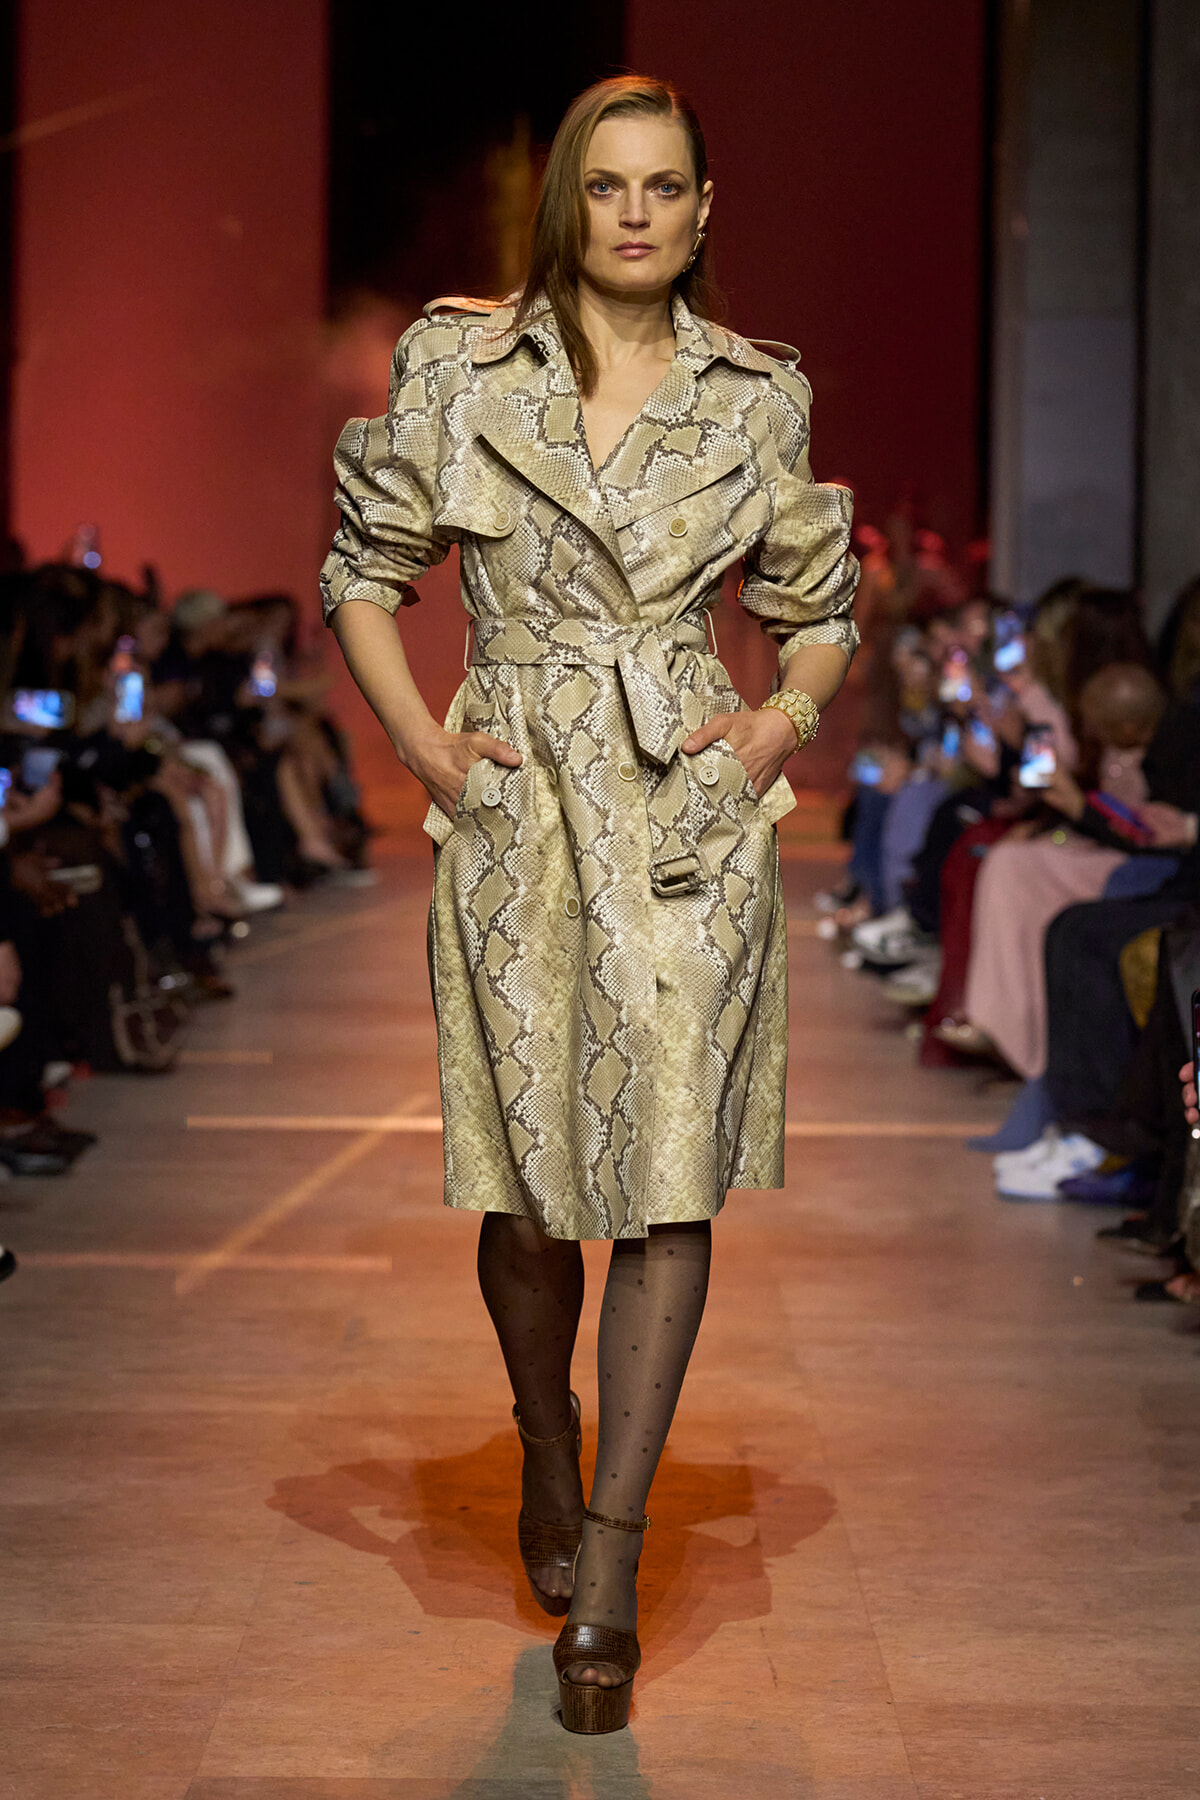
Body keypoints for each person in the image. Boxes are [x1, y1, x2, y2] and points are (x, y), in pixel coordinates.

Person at [322, 76, 858, 1734]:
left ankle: (610, 1566)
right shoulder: (458, 364)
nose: (637, 211)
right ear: (570, 201)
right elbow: (364, 567)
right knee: (535, 1185)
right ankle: (547, 1450)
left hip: (690, 813)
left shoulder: (758, 398)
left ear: (706, 211)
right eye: (609, 185)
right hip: (517, 800)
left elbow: (817, 604)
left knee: (673, 1175)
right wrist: (424, 746)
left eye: (667, 186)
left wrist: (780, 720)